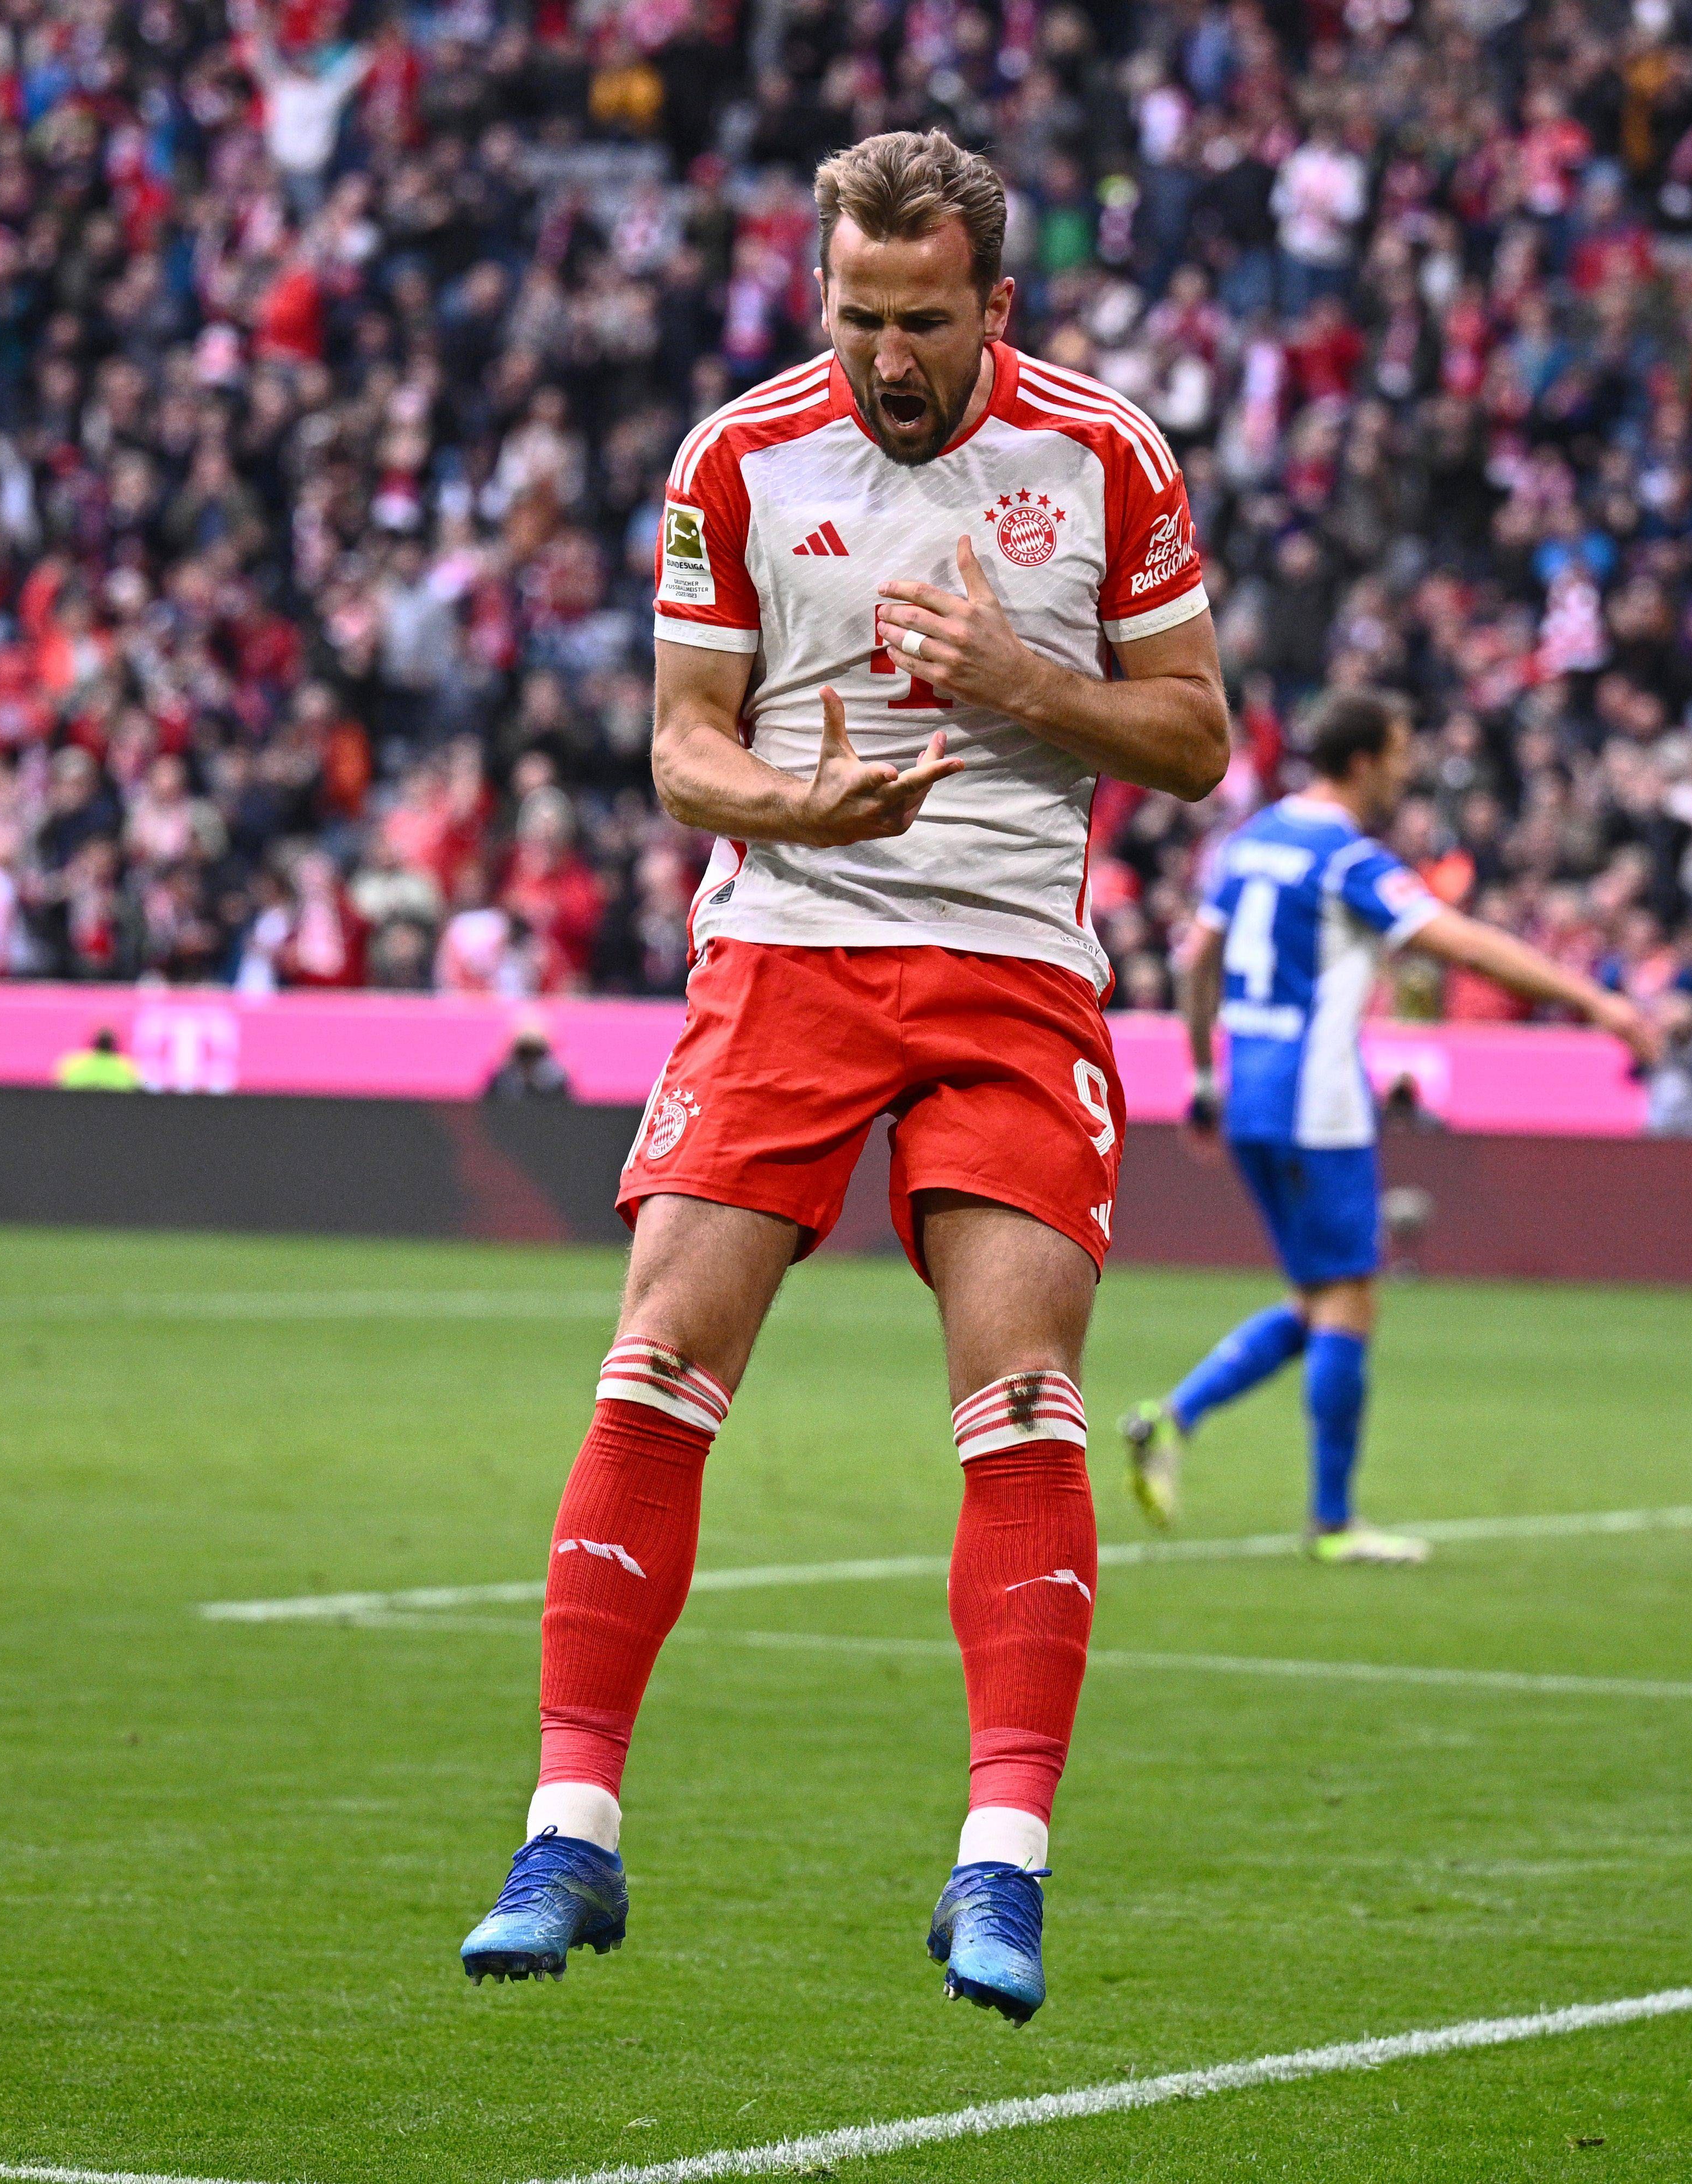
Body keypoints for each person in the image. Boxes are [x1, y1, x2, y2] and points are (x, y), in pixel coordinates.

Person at [458, 132, 1229, 2027]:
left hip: (1008, 965)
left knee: (1026, 1390)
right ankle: (567, 1831)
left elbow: (1196, 733)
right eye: (854, 313)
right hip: (789, 944)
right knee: (657, 1344)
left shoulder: (1104, 456)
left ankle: (999, 1862)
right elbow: (679, 754)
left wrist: (1018, 680)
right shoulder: (732, 459)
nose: (885, 355)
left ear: (994, 304)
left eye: (922, 319)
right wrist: (799, 800)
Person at [1117, 692, 1657, 1564]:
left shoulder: (1250, 842)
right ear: (1364, 760)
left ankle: (1171, 1418)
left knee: (1318, 1297)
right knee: (1350, 1300)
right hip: (1317, 1103)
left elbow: (1195, 963)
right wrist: (1595, 1000)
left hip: (1251, 1092)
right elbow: (1466, 946)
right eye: (1401, 753)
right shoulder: (1344, 860)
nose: (1408, 770)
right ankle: (1331, 1523)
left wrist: (1207, 1077)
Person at [54, 1026, 144, 1090]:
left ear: (93, 1043)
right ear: (115, 1045)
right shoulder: (127, 1065)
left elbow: (57, 1087)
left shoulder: (73, 1062)